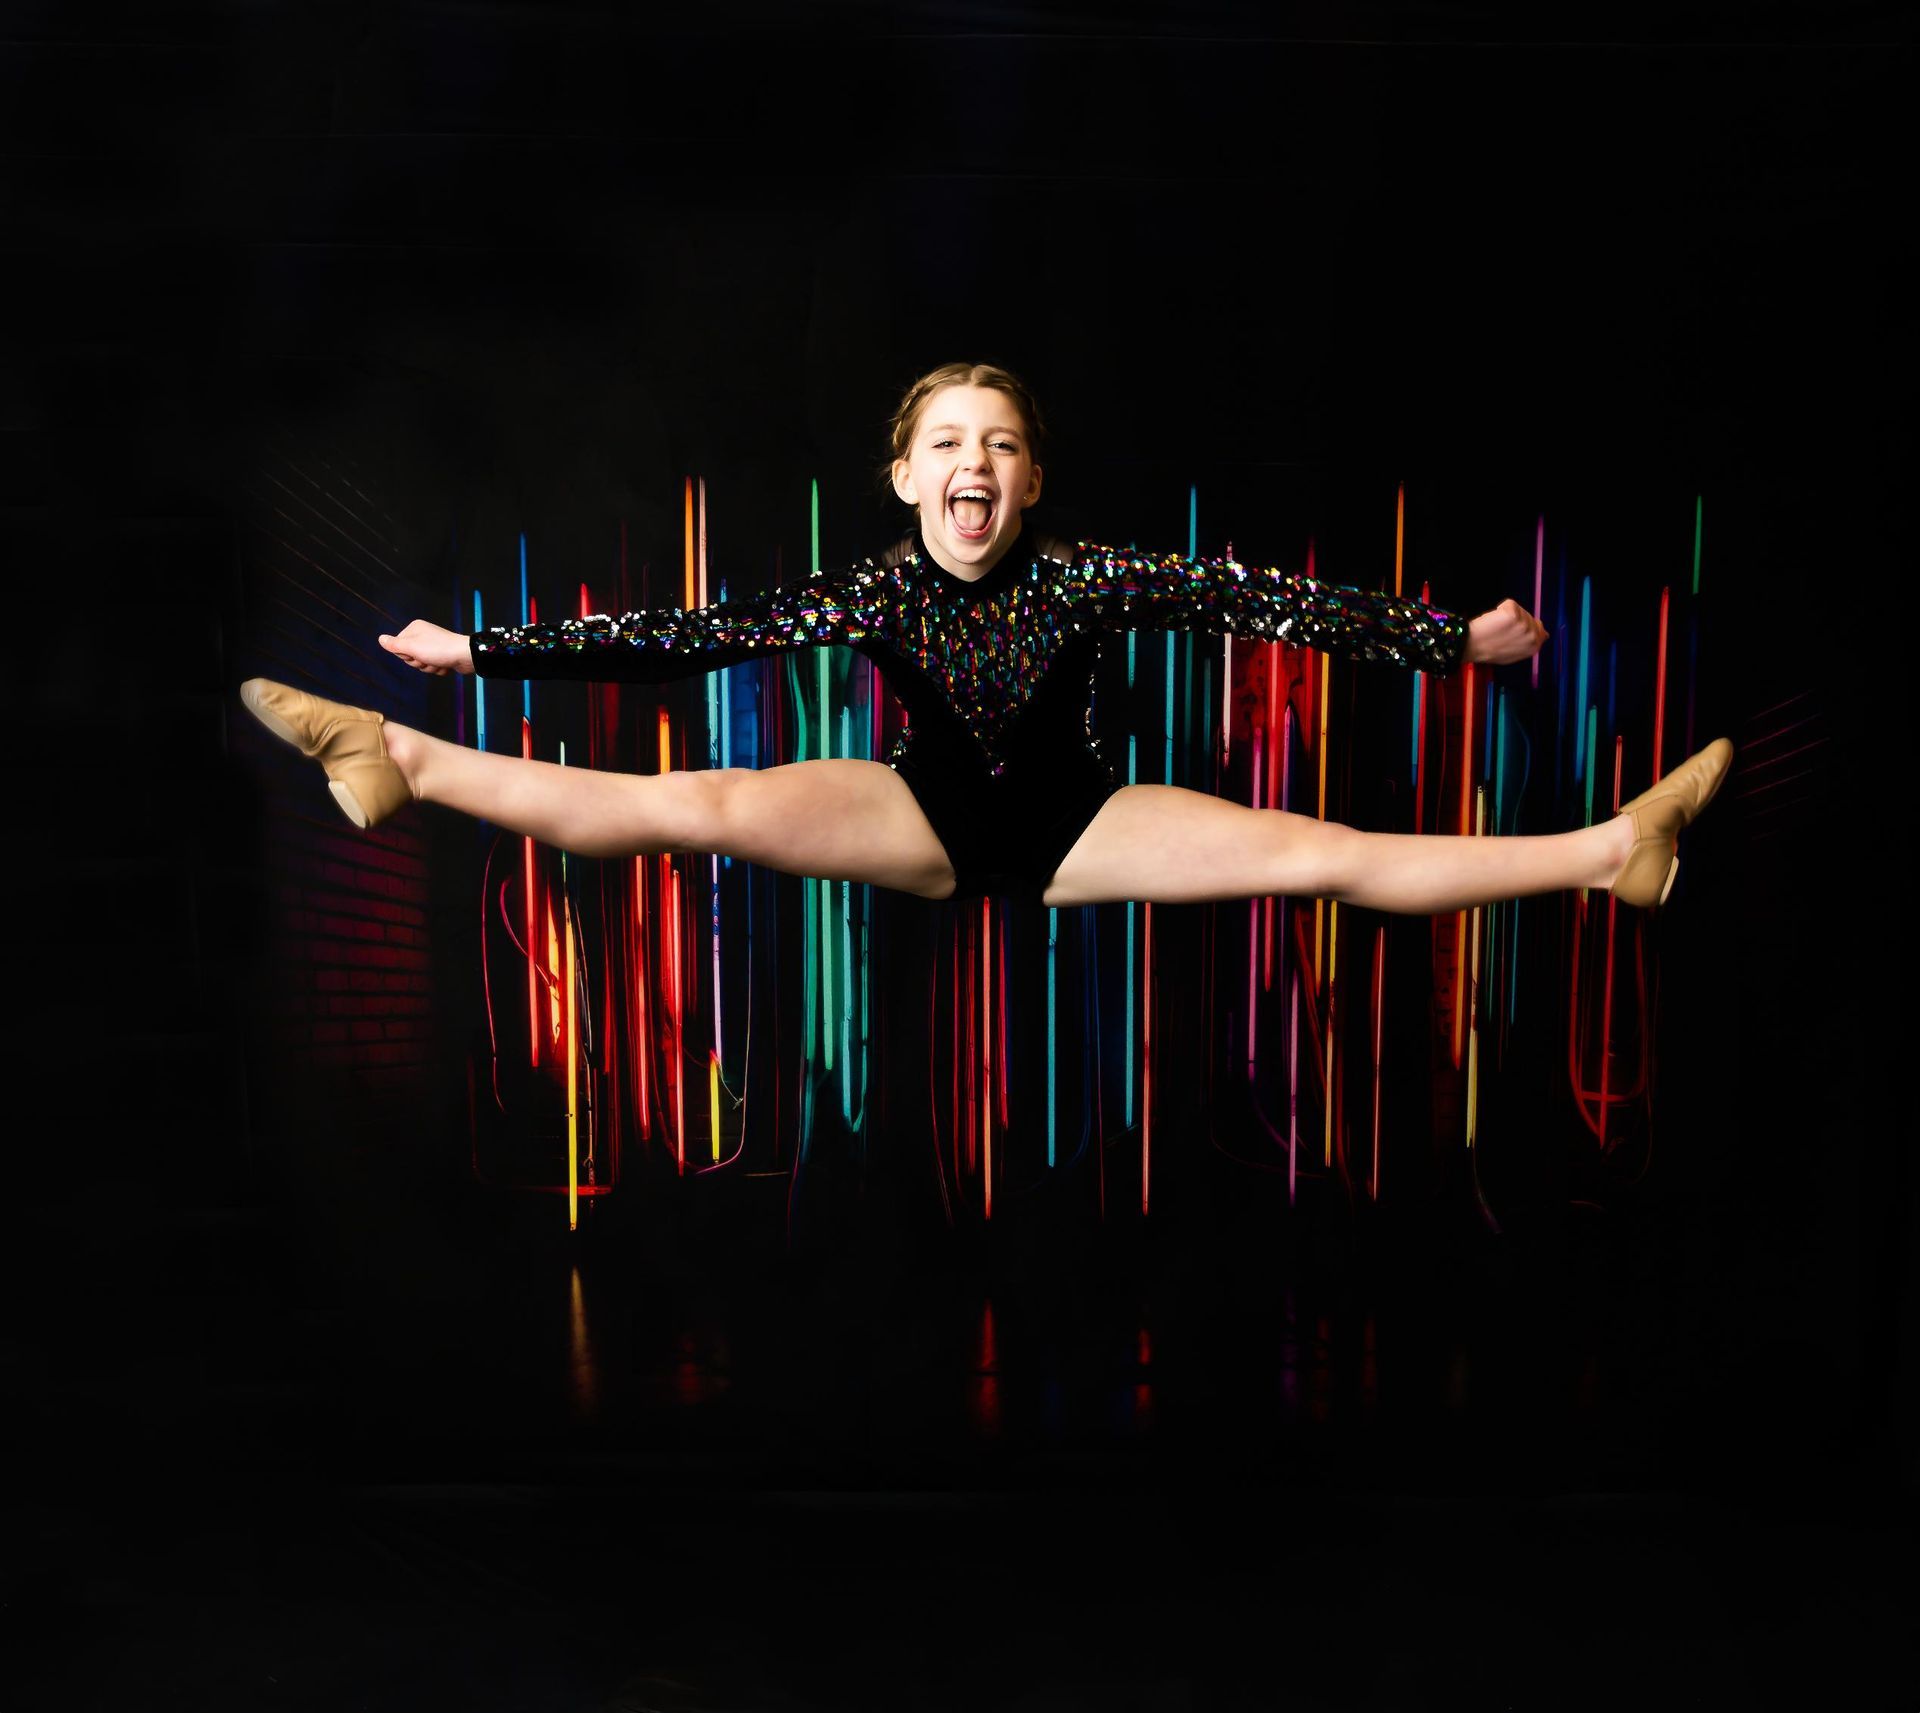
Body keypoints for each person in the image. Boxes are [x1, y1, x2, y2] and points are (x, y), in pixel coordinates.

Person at [239, 361, 1732, 914]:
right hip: (916, 803)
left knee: (1317, 847)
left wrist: (1446, 643)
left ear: (1030, 481)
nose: (977, 463)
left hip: (1080, 817)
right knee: (682, 805)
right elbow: (683, 638)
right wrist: (483, 655)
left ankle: (1619, 849)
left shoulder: (1089, 572)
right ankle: (397, 756)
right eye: (949, 440)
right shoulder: (872, 590)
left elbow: (1269, 600)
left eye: (1003, 442)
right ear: (905, 476)